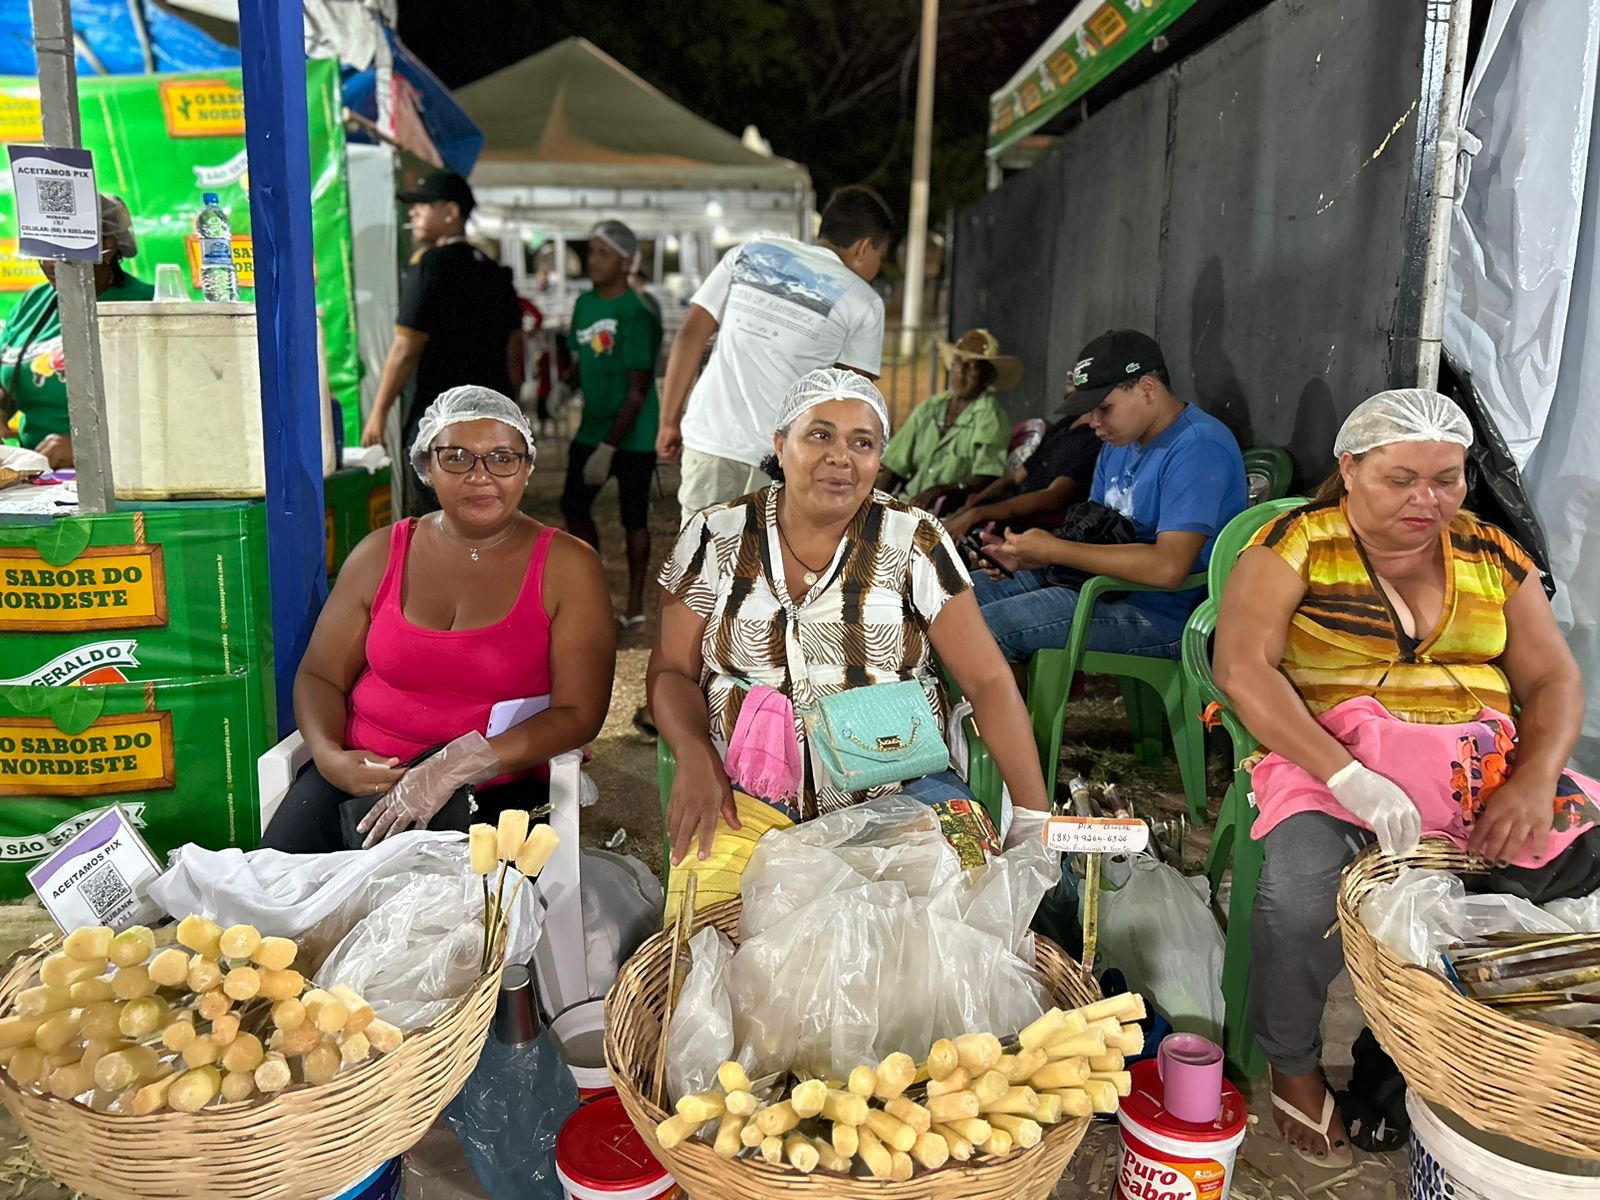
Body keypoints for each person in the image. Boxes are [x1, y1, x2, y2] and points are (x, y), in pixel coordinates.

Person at [1213, 389, 1594, 1169]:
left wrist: (1532, 779)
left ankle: (1429, 1062)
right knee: (1298, 894)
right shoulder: (1299, 542)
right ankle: (1291, 1060)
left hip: (1478, 768)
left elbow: (1554, 679)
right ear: (1349, 469)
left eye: (1448, 478)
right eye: (1402, 479)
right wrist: (1348, 777)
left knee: (1568, 864)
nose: (1429, 499)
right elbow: (1241, 668)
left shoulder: (1490, 551)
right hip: (1328, 762)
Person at [649, 367, 1051, 867]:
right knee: (739, 931)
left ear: (879, 459)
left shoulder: (913, 538)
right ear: (780, 444)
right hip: (747, 790)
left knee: (962, 905)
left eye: (862, 443)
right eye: (820, 435)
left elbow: (988, 679)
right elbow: (670, 671)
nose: (841, 457)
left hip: (906, 788)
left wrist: (1035, 818)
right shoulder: (715, 534)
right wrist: (694, 754)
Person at [262, 386, 614, 853]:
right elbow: (320, 675)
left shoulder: (568, 567)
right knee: (276, 894)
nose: (480, 476)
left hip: (494, 788)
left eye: (502, 459)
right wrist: (330, 757)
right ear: (427, 466)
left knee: (441, 920)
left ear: (527, 469)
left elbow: (579, 714)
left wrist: (456, 765)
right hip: (361, 779)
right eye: (457, 458)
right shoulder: (380, 553)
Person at [973, 329, 1247, 661]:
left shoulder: (1197, 445)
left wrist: (1056, 550)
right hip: (1104, 588)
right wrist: (1027, 555)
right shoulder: (1117, 446)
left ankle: (976, 714)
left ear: (1147, 389)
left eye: (1103, 407)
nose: (1091, 421)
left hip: (1166, 615)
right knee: (954, 602)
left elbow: (1169, 568)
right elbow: (1093, 537)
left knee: (985, 628)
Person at [655, 186, 893, 525]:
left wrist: (668, 422)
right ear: (864, 247)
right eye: (880, 257)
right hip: (784, 459)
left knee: (699, 564)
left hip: (709, 439)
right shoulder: (864, 302)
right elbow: (849, 400)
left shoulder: (749, 254)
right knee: (768, 569)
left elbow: (691, 333)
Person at [361, 172, 523, 514]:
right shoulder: (497, 273)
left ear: (451, 212)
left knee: (437, 525)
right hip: (493, 424)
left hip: (440, 424)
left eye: (422, 206)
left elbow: (406, 349)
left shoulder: (430, 266)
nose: (413, 213)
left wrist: (378, 414)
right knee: (484, 520)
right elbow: (515, 355)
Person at [561, 220, 663, 633]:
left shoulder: (636, 313)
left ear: (625, 260)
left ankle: (636, 604)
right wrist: (558, 390)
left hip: (633, 434)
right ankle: (594, 594)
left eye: (602, 253)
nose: (592, 260)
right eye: (591, 252)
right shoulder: (585, 304)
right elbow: (580, 359)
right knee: (573, 506)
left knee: (633, 519)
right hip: (592, 426)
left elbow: (637, 391)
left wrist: (608, 448)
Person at [0, 194, 152, 468]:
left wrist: (88, 445)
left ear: (107, 245)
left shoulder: (148, 305)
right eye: (43, 247)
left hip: (124, 477)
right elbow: (7, 380)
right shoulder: (34, 301)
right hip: (41, 480)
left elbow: (171, 407)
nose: (49, 263)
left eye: (63, 247)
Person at [876, 328, 1018, 510]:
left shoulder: (990, 416)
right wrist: (872, 507)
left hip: (949, 513)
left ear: (987, 376)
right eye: (958, 362)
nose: (961, 371)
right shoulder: (932, 407)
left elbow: (987, 476)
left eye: (972, 365)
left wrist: (940, 491)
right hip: (908, 504)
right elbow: (895, 466)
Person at [943, 390, 1102, 544]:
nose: (1071, 378)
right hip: (1003, 513)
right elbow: (1016, 475)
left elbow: (1054, 497)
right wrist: (969, 508)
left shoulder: (1094, 437)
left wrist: (980, 514)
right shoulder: (1068, 422)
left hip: (1034, 530)